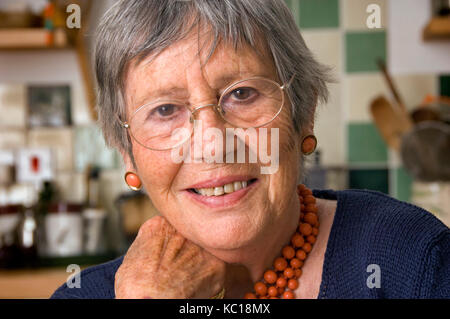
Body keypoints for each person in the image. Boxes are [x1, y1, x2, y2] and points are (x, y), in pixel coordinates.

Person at [51, 0, 449, 299]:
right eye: (165, 110)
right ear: (127, 151)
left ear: (304, 112)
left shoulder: (414, 261)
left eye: (242, 93)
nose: (211, 143)